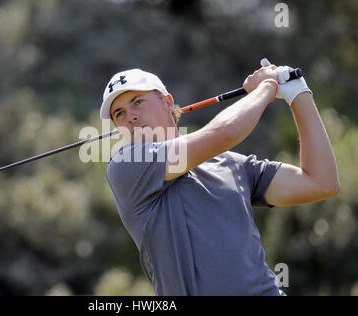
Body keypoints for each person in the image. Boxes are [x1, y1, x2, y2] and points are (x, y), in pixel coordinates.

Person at [100, 64, 339, 296]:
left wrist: (297, 92)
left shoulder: (232, 164)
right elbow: (226, 133)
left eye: (138, 102)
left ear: (168, 102)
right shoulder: (125, 167)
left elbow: (321, 182)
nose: (130, 117)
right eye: (119, 114)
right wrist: (268, 86)